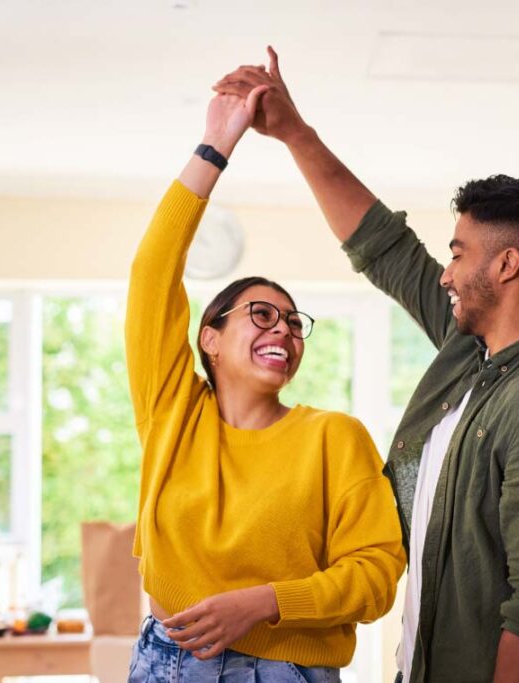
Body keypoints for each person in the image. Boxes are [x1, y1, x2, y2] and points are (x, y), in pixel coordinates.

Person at [213, 48, 519, 683]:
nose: (446, 272)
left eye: (459, 253)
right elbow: (384, 248)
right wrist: (293, 132)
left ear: (507, 265)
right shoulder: (475, 352)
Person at [125, 83, 406, 682]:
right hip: (165, 663)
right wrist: (215, 144)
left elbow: (378, 573)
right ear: (210, 338)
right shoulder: (172, 412)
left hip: (283, 672)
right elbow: (152, 274)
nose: (283, 327)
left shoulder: (334, 438)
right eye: (260, 313)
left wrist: (264, 602)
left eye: (292, 320)